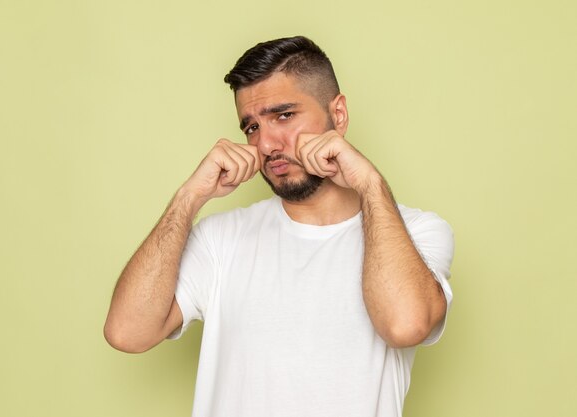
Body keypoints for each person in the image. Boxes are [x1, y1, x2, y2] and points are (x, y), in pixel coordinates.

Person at [104, 35, 454, 417]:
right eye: (251, 127)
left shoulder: (417, 233)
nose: (266, 143)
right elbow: (127, 333)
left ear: (337, 115)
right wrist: (189, 197)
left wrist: (369, 183)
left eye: (283, 115)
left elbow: (405, 326)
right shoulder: (221, 238)